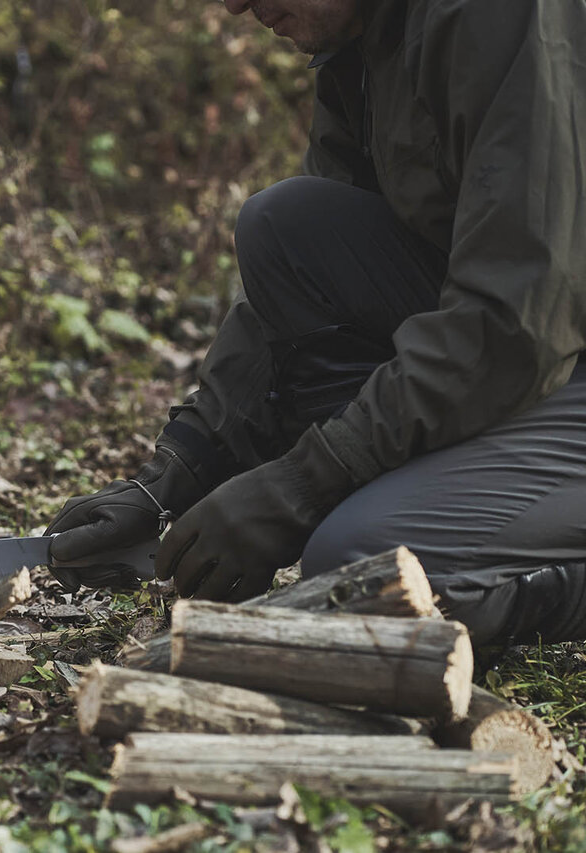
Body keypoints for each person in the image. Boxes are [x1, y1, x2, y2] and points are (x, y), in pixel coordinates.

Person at [45, 0, 586, 647]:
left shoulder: (501, 15)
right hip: (539, 356)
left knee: (367, 567)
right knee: (285, 223)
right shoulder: (364, 32)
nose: (235, 6)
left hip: (542, 345)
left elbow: (514, 319)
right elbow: (300, 284)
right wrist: (181, 472)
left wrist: (303, 484)